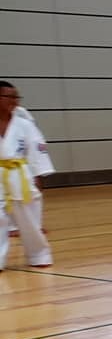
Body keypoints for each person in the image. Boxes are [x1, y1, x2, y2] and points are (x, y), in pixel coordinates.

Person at [0, 80, 55, 269]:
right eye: (10, 96)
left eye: (17, 97)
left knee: (29, 220)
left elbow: (36, 149)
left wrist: (38, 175)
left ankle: (39, 255)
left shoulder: (24, 123)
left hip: (19, 174)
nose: (15, 101)